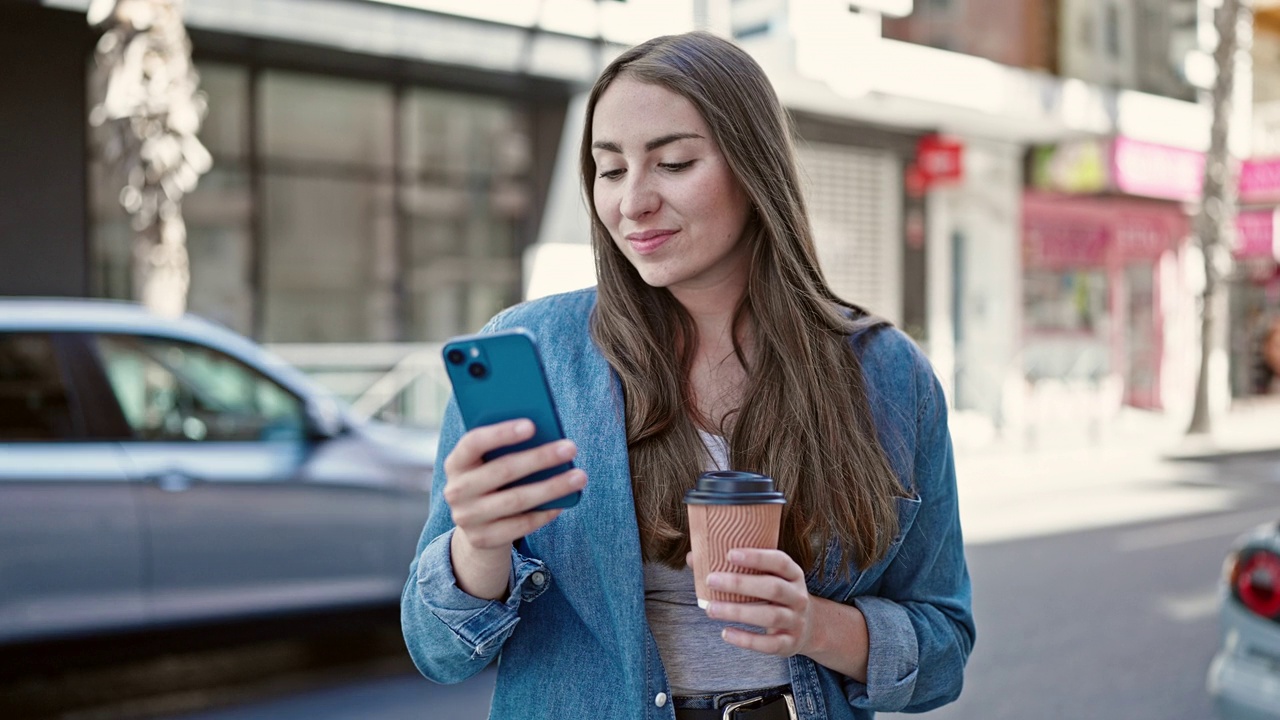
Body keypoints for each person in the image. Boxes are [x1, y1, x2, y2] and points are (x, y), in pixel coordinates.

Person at [401, 31, 974, 720]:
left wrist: (815, 624)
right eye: (609, 170)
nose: (632, 201)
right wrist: (479, 544)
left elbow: (943, 648)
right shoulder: (538, 351)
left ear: (753, 167)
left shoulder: (887, 375)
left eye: (673, 163)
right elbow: (437, 649)